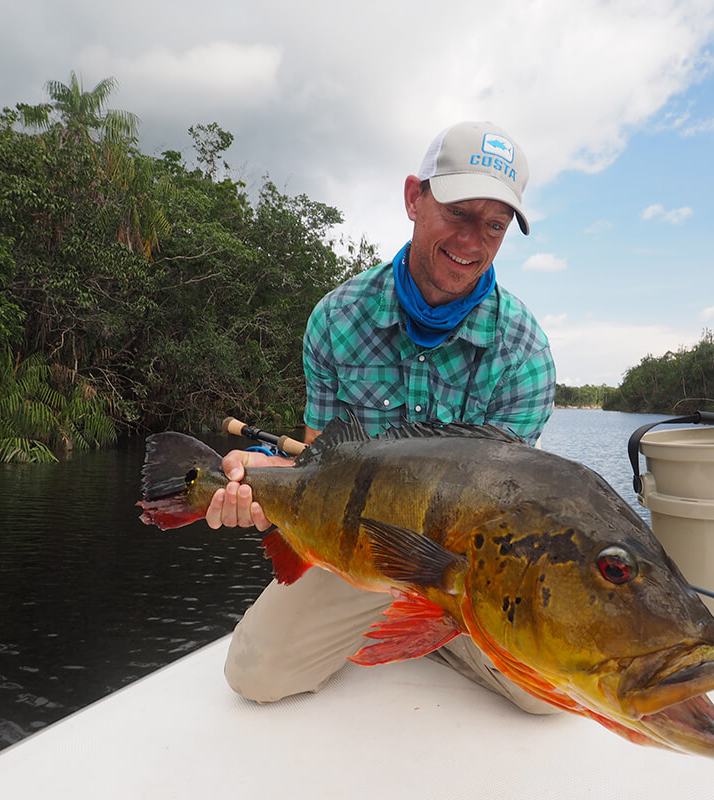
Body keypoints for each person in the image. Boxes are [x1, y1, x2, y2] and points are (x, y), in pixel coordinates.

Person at [206, 121, 557, 713]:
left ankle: (437, 629)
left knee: (551, 698)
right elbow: (320, 465)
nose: (473, 240)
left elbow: (507, 507)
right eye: (458, 212)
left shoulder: (525, 354)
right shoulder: (336, 319)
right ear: (414, 198)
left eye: (494, 225)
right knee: (255, 675)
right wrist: (262, 478)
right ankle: (419, 631)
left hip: (462, 570)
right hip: (360, 550)